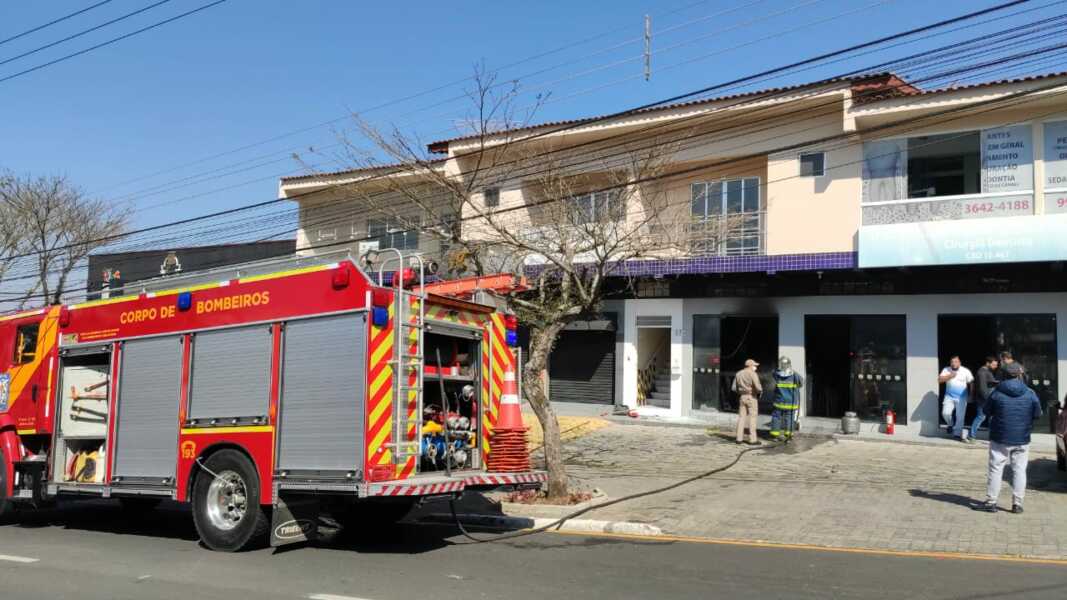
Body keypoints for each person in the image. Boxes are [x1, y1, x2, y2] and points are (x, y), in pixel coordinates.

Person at [977, 362, 1042, 513]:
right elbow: (1038, 414)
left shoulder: (996, 392)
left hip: (1000, 436)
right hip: (1022, 437)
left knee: (996, 468)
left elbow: (986, 411)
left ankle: (991, 502)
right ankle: (1017, 505)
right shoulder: (1030, 392)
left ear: (1003, 375)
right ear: (1019, 375)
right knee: (1019, 470)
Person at [938, 356, 973, 441]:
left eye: (956, 362)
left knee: (960, 416)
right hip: (949, 396)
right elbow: (939, 380)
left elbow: (971, 382)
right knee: (945, 413)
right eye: (952, 362)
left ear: (959, 363)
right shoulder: (946, 370)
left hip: (962, 397)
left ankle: (957, 434)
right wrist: (950, 376)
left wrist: (971, 395)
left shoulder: (965, 371)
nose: (954, 363)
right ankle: (950, 424)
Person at [770, 356, 803, 440]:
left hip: (779, 402)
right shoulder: (795, 375)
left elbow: (773, 373)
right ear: (789, 364)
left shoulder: (776, 374)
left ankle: (775, 435)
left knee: (776, 417)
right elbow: (801, 383)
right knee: (789, 418)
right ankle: (788, 435)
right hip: (790, 402)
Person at [733, 358, 762, 446]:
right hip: (751, 397)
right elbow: (758, 387)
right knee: (752, 418)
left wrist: (741, 393)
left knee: (741, 417)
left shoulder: (738, 373)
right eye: (754, 365)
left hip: (742, 397)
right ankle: (752, 439)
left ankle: (739, 438)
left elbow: (735, 388)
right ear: (750, 366)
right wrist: (759, 392)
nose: (755, 367)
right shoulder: (753, 374)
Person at [969, 356, 999, 442]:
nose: (995, 366)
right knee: (981, 417)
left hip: (987, 399)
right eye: (994, 364)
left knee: (990, 418)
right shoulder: (982, 372)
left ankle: (992, 437)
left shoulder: (987, 371)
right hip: (984, 400)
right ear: (988, 363)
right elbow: (982, 388)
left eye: (996, 365)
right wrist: (988, 400)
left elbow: (988, 384)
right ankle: (971, 436)